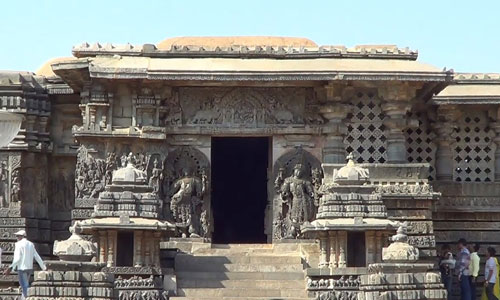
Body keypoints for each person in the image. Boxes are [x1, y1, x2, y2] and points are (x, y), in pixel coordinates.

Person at [4, 230, 46, 299]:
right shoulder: (31, 244)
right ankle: (24, 298)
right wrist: (43, 267)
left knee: (24, 286)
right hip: (29, 268)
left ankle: (26, 298)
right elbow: (37, 256)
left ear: (21, 236)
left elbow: (17, 258)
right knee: (25, 285)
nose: (17, 238)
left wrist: (10, 267)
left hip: (22, 268)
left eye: (17, 236)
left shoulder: (18, 244)